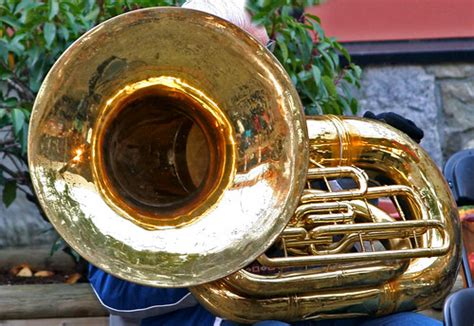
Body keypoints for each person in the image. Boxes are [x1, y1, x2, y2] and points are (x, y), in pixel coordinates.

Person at [89, 1, 440, 325]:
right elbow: (115, 293)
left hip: (317, 308)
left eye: (263, 51)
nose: (262, 68)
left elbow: (334, 237)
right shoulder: (139, 155)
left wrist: (367, 176)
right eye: (244, 55)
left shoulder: (282, 130)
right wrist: (227, 256)